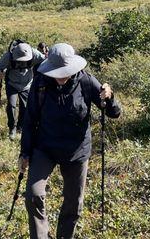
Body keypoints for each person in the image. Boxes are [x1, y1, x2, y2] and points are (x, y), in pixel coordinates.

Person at [19, 43, 121, 239]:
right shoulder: (40, 83)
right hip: (45, 147)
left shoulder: (86, 81)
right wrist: (25, 153)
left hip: (76, 151)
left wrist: (110, 97)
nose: (60, 76)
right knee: (33, 195)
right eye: (56, 72)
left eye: (64, 71)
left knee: (73, 203)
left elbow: (113, 113)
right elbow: (30, 119)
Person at [0, 41, 45, 140]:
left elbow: (45, 59)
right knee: (12, 106)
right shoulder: (9, 56)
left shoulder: (34, 53)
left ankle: (20, 127)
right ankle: (12, 128)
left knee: (25, 106)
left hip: (27, 85)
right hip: (12, 84)